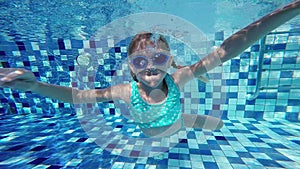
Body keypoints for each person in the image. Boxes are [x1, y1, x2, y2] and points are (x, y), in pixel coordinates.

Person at [0, 1, 299, 137]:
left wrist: (289, 10)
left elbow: (225, 51)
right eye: (140, 61)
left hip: (178, 123)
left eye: (160, 59)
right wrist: (37, 87)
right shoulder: (123, 91)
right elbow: (78, 96)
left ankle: (191, 120)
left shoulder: (178, 77)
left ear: (170, 62)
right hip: (151, 133)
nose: (150, 67)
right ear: (131, 68)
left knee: (216, 126)